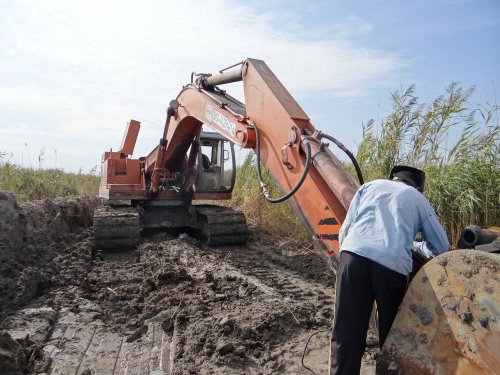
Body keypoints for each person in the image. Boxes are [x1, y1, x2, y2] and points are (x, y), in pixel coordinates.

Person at [330, 165, 450, 375]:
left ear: (393, 179)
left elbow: (345, 231)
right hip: (392, 266)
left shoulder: (369, 187)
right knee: (392, 337)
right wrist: (412, 244)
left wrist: (348, 262)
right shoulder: (418, 199)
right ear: (418, 187)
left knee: (346, 333)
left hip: (353, 257)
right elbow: (441, 247)